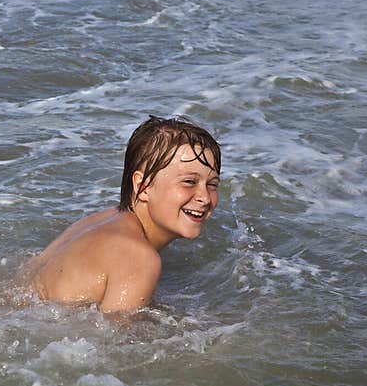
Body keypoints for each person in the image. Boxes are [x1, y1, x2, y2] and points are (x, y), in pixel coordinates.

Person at [26, 115, 221, 313]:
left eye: (212, 185)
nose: (205, 197)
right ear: (143, 186)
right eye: (189, 182)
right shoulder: (140, 258)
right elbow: (117, 338)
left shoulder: (102, 220)